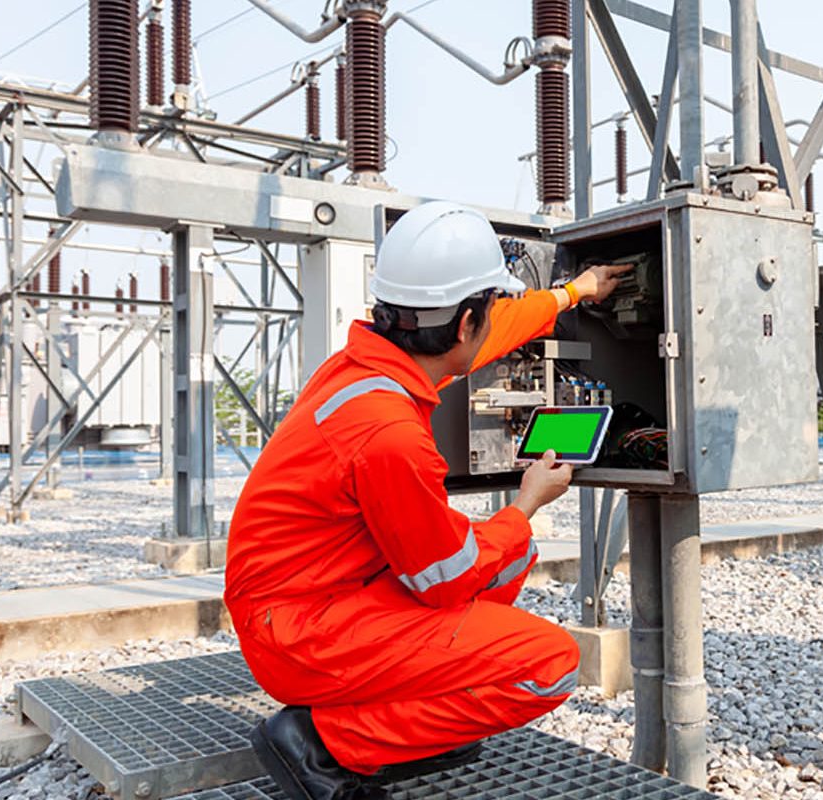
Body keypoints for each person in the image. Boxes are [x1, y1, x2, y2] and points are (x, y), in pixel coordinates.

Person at [225, 201, 631, 800]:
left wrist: (574, 293)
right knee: (550, 665)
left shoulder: (365, 368)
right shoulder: (389, 431)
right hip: (301, 636)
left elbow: (493, 333)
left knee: (510, 557)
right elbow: (444, 580)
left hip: (304, 601)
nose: (492, 323)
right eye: (488, 309)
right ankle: (324, 742)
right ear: (464, 324)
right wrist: (526, 505)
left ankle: (413, 720)